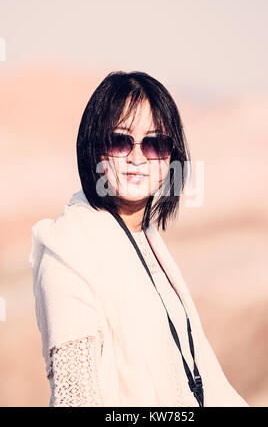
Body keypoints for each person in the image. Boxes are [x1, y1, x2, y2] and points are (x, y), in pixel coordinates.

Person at [29, 71, 249, 407]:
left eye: (155, 143)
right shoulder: (70, 254)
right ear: (94, 149)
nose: (137, 157)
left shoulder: (147, 242)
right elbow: (76, 398)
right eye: (120, 140)